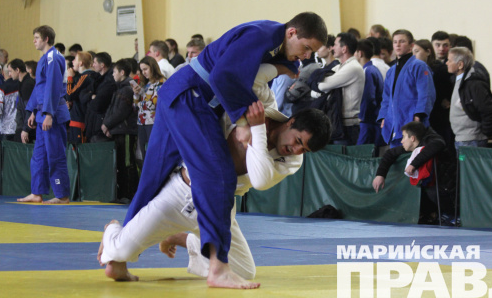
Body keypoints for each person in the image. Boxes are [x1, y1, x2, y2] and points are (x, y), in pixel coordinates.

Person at [124, 12, 327, 289]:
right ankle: (217, 268)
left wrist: (280, 68)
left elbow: (254, 78)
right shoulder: (262, 35)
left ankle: (116, 256)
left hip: (188, 97)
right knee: (216, 176)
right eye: (306, 48)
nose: (306, 56)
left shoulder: (278, 49)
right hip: (191, 96)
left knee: (152, 176)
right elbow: (222, 77)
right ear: (291, 33)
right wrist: (243, 122)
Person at [98, 69, 330, 283]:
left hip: (220, 206)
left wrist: (258, 128)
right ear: (291, 122)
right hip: (182, 192)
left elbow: (261, 179)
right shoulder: (257, 107)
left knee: (244, 270)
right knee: (119, 251)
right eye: (298, 141)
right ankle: (112, 227)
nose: (295, 150)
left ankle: (182, 238)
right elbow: (243, 75)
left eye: (304, 149)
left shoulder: (293, 161)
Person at [18, 25, 71, 204]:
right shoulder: (44, 59)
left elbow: (53, 87)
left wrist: (48, 113)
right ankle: (37, 192)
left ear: (46, 39)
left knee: (55, 155)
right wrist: (34, 111)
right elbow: (39, 88)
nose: (34, 41)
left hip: (52, 114)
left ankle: (62, 195)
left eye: (37, 37)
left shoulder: (53, 58)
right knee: (39, 156)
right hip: (42, 113)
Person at [372, 121, 457, 225]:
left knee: (432, 191)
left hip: (450, 187)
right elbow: (390, 153)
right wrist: (380, 174)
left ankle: (453, 215)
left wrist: (413, 164)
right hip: (436, 187)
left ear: (412, 138)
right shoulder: (414, 145)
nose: (402, 141)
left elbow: (437, 144)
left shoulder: (432, 140)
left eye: (403, 137)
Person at [378, 30, 435, 148]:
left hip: (411, 119)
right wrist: (384, 116)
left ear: (411, 45)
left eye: (402, 41)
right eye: (395, 42)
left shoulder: (419, 66)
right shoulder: (391, 70)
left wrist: (419, 115)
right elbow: (386, 97)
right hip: (393, 121)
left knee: (413, 157)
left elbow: (426, 93)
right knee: (395, 155)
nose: (398, 45)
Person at [314, 32, 364, 145]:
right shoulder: (340, 67)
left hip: (347, 126)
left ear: (344, 49)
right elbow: (320, 85)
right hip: (338, 122)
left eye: (335, 45)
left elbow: (322, 86)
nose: (332, 48)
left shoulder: (353, 67)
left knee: (341, 156)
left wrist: (316, 87)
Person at [448, 47, 492, 148]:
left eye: (450, 61)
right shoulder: (459, 81)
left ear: (460, 65)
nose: (447, 63)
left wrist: (484, 132)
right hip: (463, 139)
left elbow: (489, 110)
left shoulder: (474, 84)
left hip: (472, 140)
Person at [102, 59, 139, 202]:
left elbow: (121, 112)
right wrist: (107, 125)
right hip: (119, 130)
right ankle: (123, 193)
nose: (112, 74)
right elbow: (112, 109)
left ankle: (129, 194)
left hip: (126, 130)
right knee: (121, 163)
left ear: (122, 72)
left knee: (127, 163)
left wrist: (107, 124)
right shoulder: (120, 88)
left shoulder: (128, 88)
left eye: (114, 72)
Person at [133, 56, 166, 163]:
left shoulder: (161, 82)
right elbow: (136, 105)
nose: (144, 72)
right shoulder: (146, 84)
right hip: (141, 121)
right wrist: (136, 94)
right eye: (141, 70)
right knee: (144, 153)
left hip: (154, 122)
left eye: (145, 69)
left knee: (154, 152)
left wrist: (142, 101)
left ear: (153, 67)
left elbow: (154, 104)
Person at [355, 39, 383, 146]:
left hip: (368, 121)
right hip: (374, 120)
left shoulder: (367, 71)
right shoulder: (374, 69)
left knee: (362, 152)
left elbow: (368, 97)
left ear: (360, 53)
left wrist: (362, 117)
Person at [84, 52, 116, 142]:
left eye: (94, 62)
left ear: (102, 65)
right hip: (93, 123)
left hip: (100, 126)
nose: (92, 65)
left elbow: (97, 104)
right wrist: (91, 97)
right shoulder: (96, 79)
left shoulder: (109, 81)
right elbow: (82, 96)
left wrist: (89, 100)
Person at [66, 52, 98, 143]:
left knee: (79, 148)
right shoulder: (89, 76)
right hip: (81, 119)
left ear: (81, 63)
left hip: (80, 120)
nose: (72, 62)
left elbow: (69, 95)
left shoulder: (85, 77)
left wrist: (69, 78)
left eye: (75, 59)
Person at [8, 59, 36, 144]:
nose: (9, 74)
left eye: (10, 71)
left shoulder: (27, 85)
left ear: (17, 70)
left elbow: (29, 109)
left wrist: (25, 129)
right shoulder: (23, 83)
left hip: (30, 128)